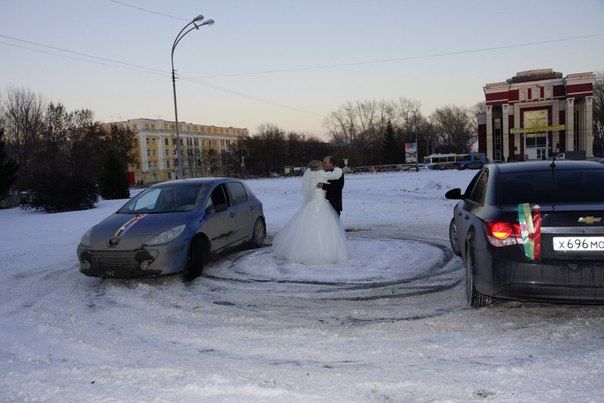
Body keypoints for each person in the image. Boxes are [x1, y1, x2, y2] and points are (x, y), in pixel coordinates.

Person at [272, 160, 348, 265]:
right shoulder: (321, 173)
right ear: (318, 167)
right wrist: (339, 168)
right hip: (320, 204)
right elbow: (336, 175)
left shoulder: (311, 175)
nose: (323, 165)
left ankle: (304, 251)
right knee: (323, 227)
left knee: (309, 228)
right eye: (321, 164)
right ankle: (323, 253)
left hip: (312, 203)